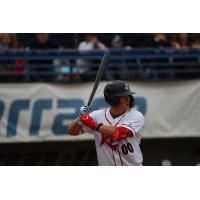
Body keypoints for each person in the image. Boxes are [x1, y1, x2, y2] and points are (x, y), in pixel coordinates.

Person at [68, 80, 144, 166]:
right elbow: (71, 131)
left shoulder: (136, 116)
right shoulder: (97, 115)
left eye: (128, 96)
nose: (128, 99)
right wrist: (80, 118)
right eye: (124, 96)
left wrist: (92, 124)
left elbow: (117, 133)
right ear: (113, 100)